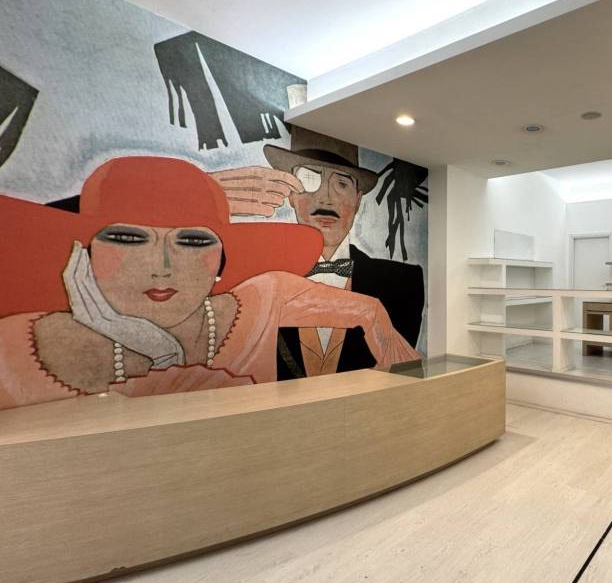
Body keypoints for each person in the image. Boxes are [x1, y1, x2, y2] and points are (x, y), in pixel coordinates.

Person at [0, 156, 420, 410]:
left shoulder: (266, 296)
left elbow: (373, 313)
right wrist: (194, 188)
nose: (163, 267)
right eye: (128, 239)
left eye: (193, 240)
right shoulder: (16, 347)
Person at [211, 127, 424, 378]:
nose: (326, 198)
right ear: (291, 194)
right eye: (310, 179)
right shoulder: (253, 278)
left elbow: (403, 378)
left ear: (357, 201)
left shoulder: (403, 283)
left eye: (341, 184)